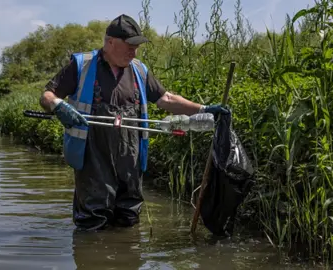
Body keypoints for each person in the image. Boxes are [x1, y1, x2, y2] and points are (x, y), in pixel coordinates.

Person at [39, 14, 230, 231]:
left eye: (137, 46)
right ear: (109, 42)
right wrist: (58, 106)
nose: (134, 51)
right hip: (93, 159)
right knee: (93, 221)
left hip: (130, 159)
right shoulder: (82, 65)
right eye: (129, 45)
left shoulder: (139, 70)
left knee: (128, 218)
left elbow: (166, 99)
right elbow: (47, 95)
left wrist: (203, 109)